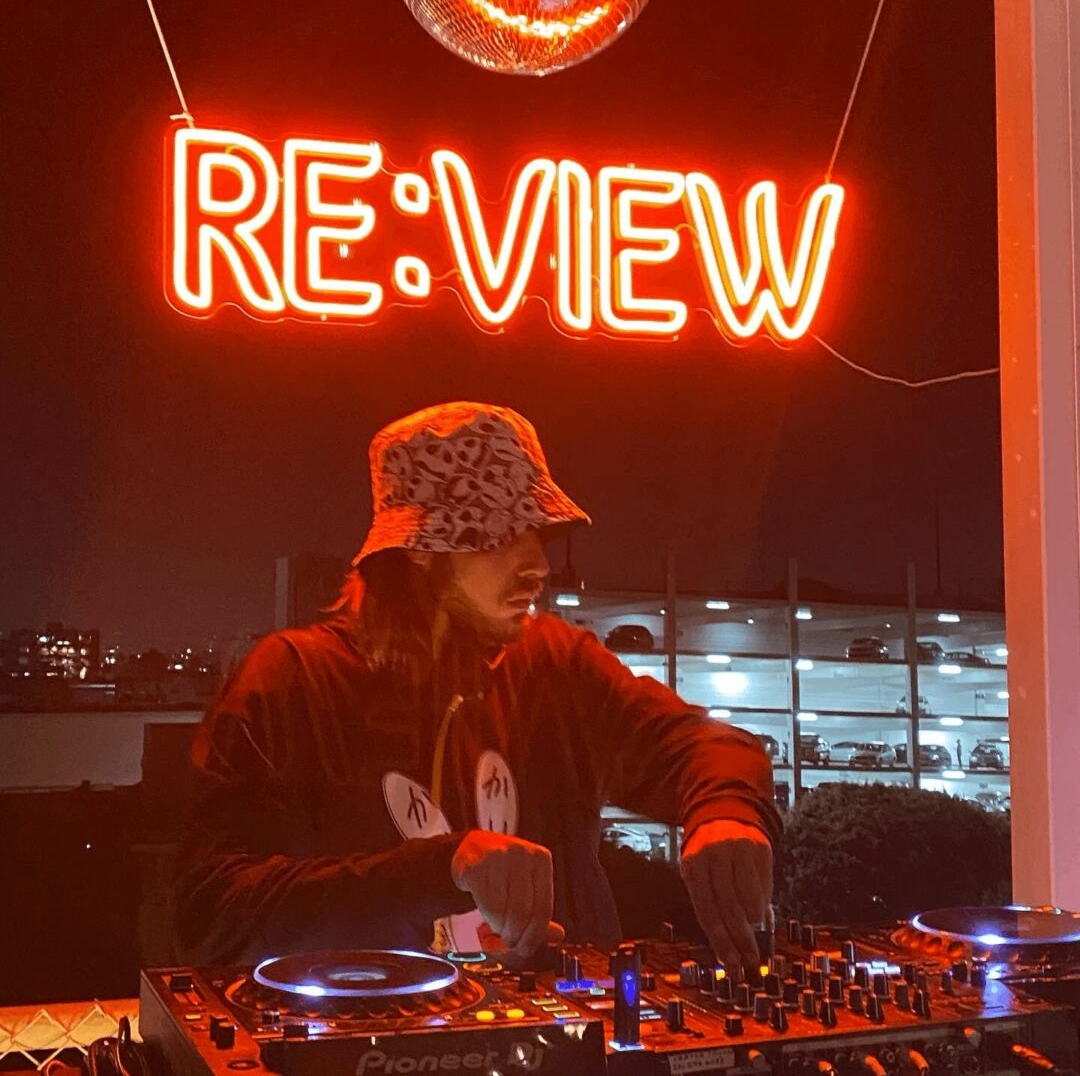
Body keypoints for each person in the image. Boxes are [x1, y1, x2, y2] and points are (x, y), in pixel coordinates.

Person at [177, 402, 781, 970]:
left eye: (538, 534)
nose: (538, 566)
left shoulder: (556, 662)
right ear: (420, 550)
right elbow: (212, 913)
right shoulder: (291, 681)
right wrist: (434, 872)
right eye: (499, 536)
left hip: (565, 1036)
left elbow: (702, 744)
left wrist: (726, 811)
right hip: (362, 1030)